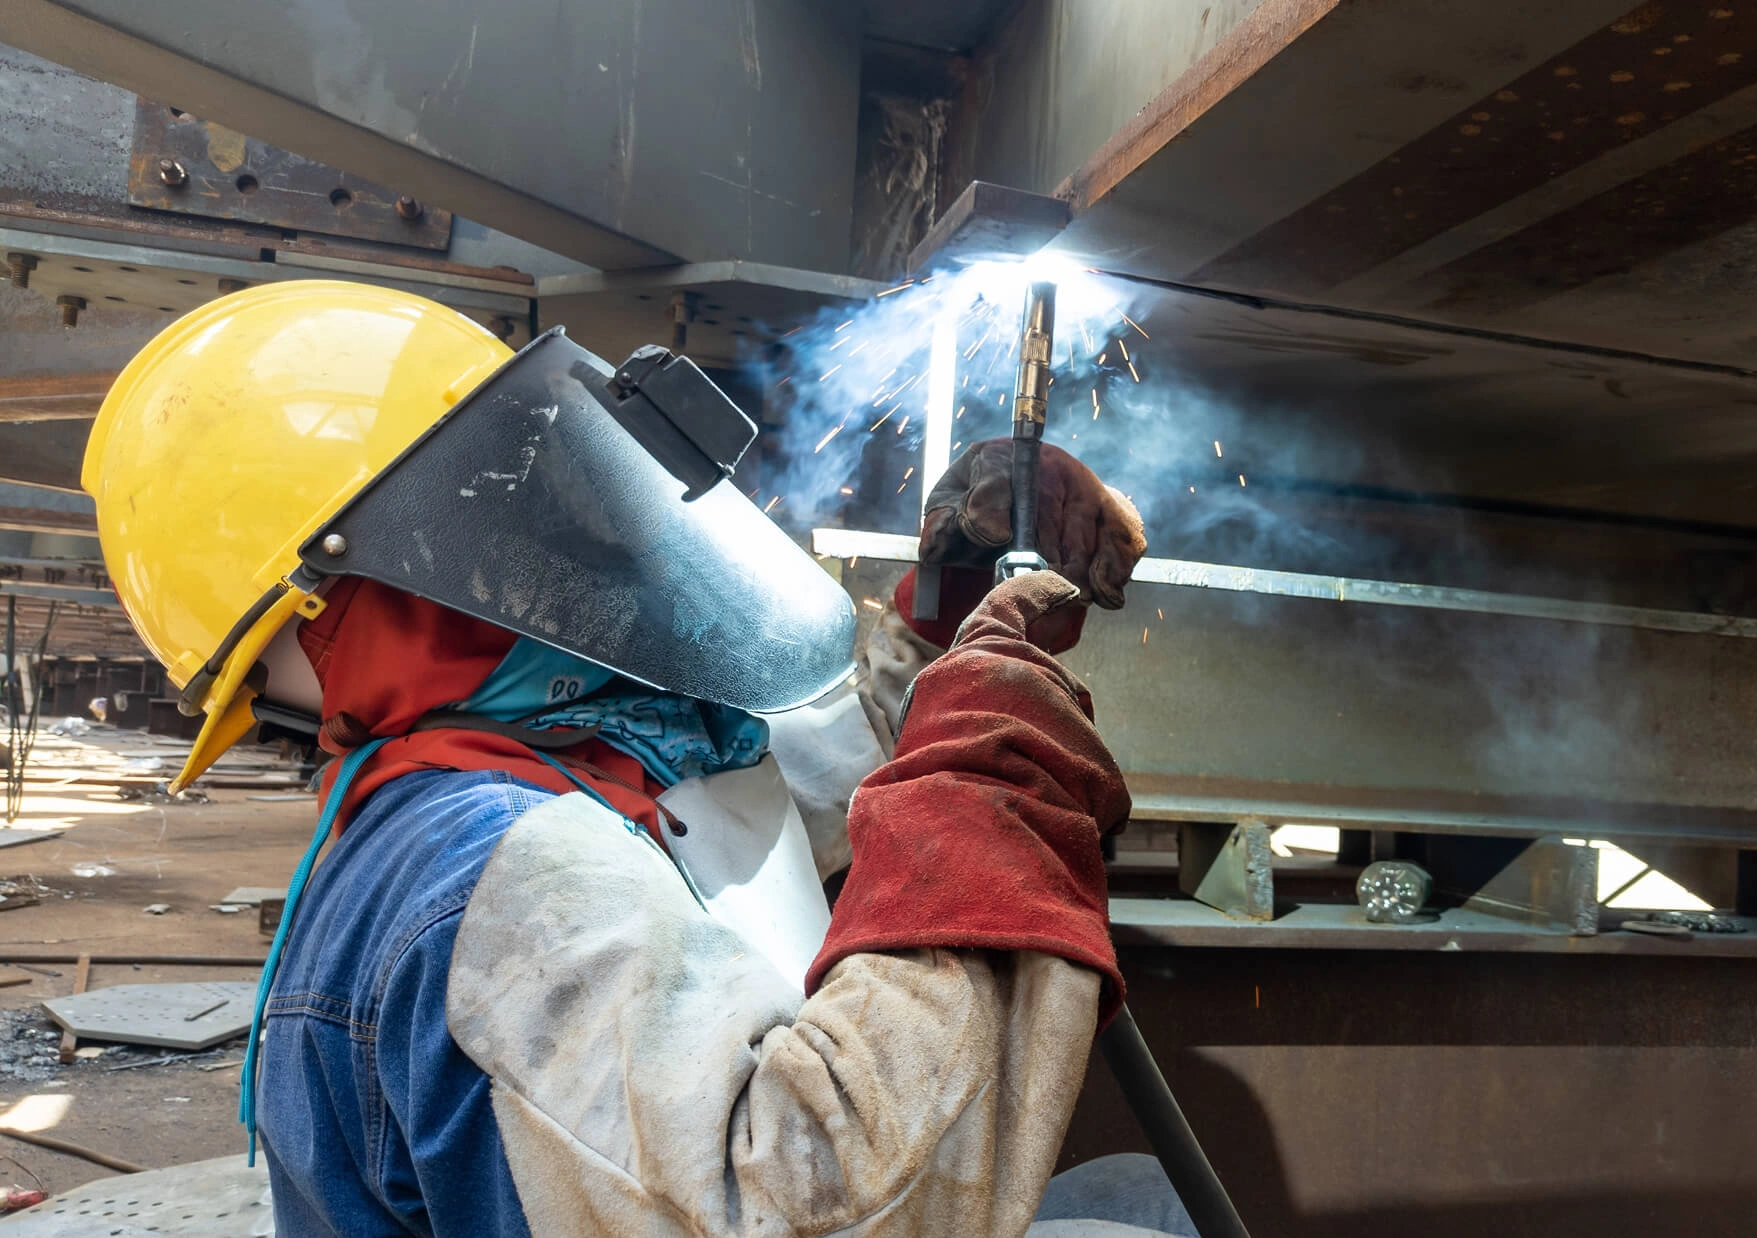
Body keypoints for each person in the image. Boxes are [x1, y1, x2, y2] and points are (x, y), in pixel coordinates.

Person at [80, 281, 1191, 1237]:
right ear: (389, 563)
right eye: (517, 497)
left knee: (1136, 1191)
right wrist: (993, 790)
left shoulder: (529, 775)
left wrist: (941, 619)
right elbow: (826, 1201)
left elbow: (778, 795)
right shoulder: (500, 863)